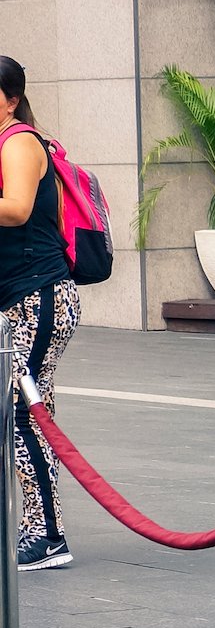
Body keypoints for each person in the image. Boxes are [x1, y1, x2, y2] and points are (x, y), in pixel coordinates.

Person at [0, 56, 80, 571]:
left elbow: (17, 209)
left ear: (8, 98)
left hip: (39, 295)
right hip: (24, 296)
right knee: (29, 411)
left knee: (25, 410)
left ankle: (46, 534)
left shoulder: (21, 142)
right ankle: (40, 527)